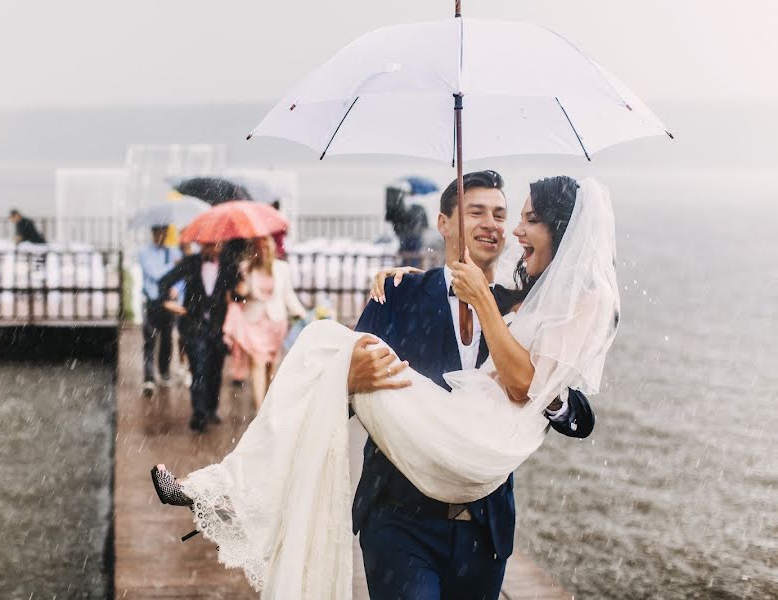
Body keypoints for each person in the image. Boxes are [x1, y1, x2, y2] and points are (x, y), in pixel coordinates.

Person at [150, 176, 619, 599]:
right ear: (443, 222)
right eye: (477, 212)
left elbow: (575, 412)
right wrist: (348, 381)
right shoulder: (398, 293)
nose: (496, 225)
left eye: (503, 214)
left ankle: (234, 492)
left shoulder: (524, 305)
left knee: (318, 346)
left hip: (483, 528)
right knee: (323, 351)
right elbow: (339, 404)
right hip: (399, 520)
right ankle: (229, 492)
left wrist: (548, 394)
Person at [158, 239, 245, 433]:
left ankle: (212, 408)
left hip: (218, 327)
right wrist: (167, 302)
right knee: (198, 368)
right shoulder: (191, 263)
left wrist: (241, 291)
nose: (214, 248)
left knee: (215, 368)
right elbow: (164, 281)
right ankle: (199, 413)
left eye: (217, 245)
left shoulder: (229, 264)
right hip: (193, 325)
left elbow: (238, 295)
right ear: (202, 244)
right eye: (210, 244)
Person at [223, 236, 306, 410]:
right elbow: (236, 295)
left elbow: (288, 294)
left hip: (276, 323)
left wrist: (300, 312)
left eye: (267, 247)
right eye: (260, 247)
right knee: (257, 362)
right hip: (253, 321)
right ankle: (260, 409)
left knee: (272, 366)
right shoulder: (246, 268)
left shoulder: (282, 268)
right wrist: (242, 292)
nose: (264, 251)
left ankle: (269, 403)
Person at [139, 224, 185, 395]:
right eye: (159, 232)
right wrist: (173, 266)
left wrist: (178, 288)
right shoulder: (145, 253)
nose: (162, 236)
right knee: (150, 339)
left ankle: (164, 371)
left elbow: (181, 276)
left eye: (164, 233)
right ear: (153, 233)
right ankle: (149, 378)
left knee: (167, 337)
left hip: (168, 301)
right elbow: (156, 274)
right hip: (151, 301)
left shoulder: (173, 252)